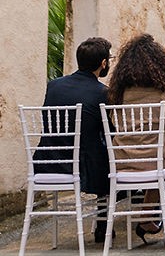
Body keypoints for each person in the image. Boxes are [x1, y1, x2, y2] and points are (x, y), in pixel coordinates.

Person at [106, 34, 165, 243]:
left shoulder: (118, 94)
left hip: (122, 160)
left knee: (161, 162)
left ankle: (147, 219)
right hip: (156, 158)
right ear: (162, 63)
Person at [36, 37, 112, 243]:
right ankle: (103, 224)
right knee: (109, 158)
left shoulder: (54, 86)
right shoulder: (102, 92)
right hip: (84, 165)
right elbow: (109, 131)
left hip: (48, 160)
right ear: (103, 63)